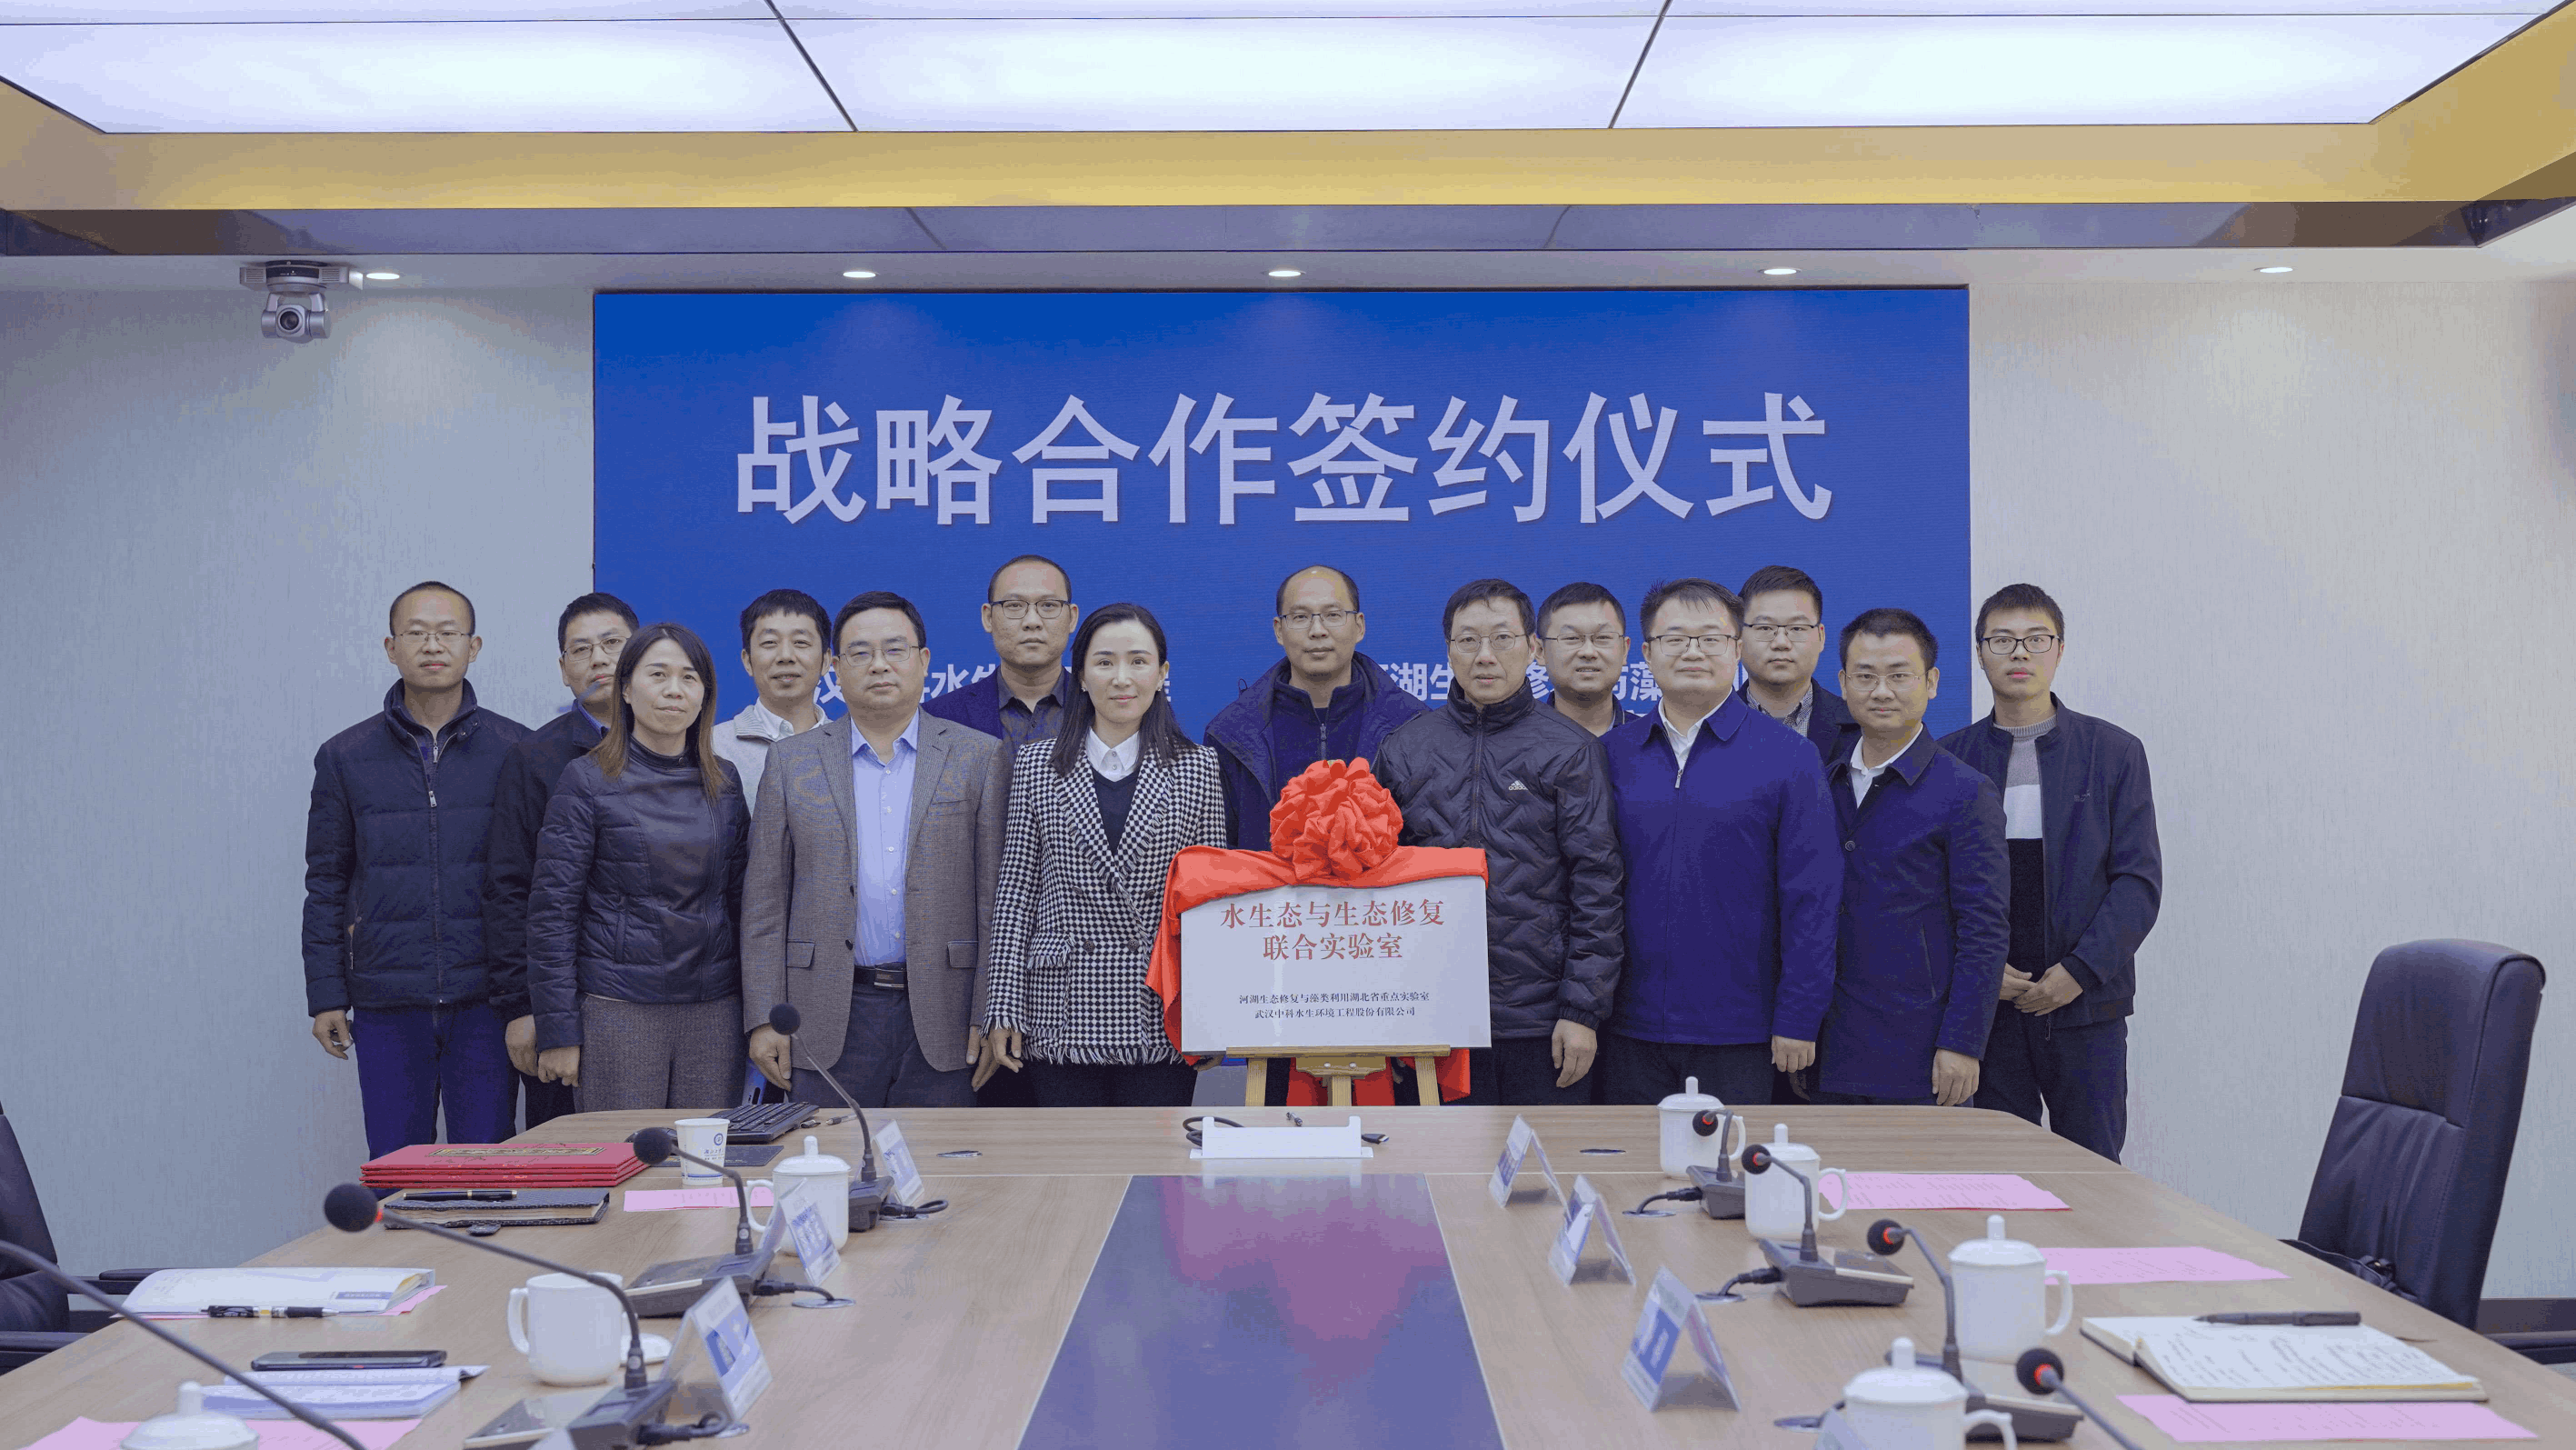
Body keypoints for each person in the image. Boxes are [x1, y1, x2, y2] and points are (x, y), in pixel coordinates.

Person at [740, 592, 1009, 1109]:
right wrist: (765, 1017)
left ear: (924, 661)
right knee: (829, 1156)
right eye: (860, 653)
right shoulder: (792, 761)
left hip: (946, 1011)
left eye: (895, 650)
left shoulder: (978, 756)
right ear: (835, 669)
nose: (879, 665)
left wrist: (989, 1009)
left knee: (942, 1157)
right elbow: (764, 905)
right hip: (825, 1011)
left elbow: (995, 901)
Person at [1374, 579, 1623, 1105]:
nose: (1485, 656)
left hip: (1542, 1021)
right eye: (1468, 640)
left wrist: (1582, 1011)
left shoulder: (1570, 750)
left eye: (1502, 638)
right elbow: (1376, 886)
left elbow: (1597, 886)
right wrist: (1386, 1011)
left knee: (1541, 1159)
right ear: (1448, 651)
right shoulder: (1405, 749)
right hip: (1430, 1017)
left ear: (1532, 647)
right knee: (1440, 1157)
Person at [302, 581, 528, 1158]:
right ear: (390, 647)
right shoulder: (345, 757)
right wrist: (326, 995)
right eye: (416, 633)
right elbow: (326, 882)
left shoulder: (517, 750)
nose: (433, 645)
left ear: (474, 646)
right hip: (387, 1001)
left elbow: (535, 885)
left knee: (486, 1170)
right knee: (397, 1170)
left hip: (486, 1000)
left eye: (448, 632)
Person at [1597, 578, 1841, 1107]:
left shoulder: (1788, 757)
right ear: (1647, 653)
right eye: (1674, 639)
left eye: (1711, 638)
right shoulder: (1611, 754)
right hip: (1625, 1027)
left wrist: (1799, 1017)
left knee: (1731, 1162)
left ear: (1737, 649)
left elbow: (1813, 900)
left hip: (1741, 1030)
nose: (1693, 652)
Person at [1942, 584, 2160, 1161]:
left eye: (2036, 639)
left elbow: (2138, 883)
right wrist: (1981, 973)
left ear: (2059, 650)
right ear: (1980, 653)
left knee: (2092, 1171)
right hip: (1989, 1009)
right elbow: (1934, 891)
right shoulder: (1951, 760)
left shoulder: (2113, 753)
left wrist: (2079, 972)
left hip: (2085, 1007)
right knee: (1995, 1171)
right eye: (2002, 640)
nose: (2020, 652)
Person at [983, 604, 1229, 1107]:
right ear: (1080, 675)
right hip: (1061, 1008)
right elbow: (1015, 894)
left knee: (1155, 1156)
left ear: (1162, 673)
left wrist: (1209, 1013)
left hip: (1157, 1010)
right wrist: (1003, 1005)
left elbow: (1209, 904)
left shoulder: (1198, 768)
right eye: (1104, 662)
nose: (1122, 678)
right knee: (1072, 1155)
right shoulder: (1037, 765)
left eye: (1138, 661)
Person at [524, 625, 749, 1112]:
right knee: (625, 1152)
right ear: (626, 689)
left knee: (707, 1155)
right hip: (619, 1008)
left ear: (705, 694)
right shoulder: (586, 779)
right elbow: (552, 914)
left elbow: (741, 903)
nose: (674, 689)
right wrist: (558, 1028)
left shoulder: (725, 782)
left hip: (714, 1009)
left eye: (689, 677)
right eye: (658, 675)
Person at [1815, 608, 2010, 1107]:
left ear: (1932, 682)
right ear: (1843, 683)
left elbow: (1984, 930)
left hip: (1920, 1055)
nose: (1882, 691)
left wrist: (1963, 1043)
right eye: (1865, 676)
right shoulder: (1820, 784)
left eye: (1899, 675)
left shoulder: (1966, 792)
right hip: (1826, 1049)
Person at [484, 590, 636, 1132]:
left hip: (669, 1004)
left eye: (613, 643)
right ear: (564, 669)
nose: (599, 659)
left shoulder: (686, 746)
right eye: (581, 650)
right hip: (565, 1001)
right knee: (569, 1149)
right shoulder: (534, 757)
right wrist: (524, 1008)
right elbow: (510, 888)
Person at [1205, 565, 1425, 850]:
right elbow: (1217, 856)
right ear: (1279, 630)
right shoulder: (1230, 734)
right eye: (1300, 617)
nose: (1317, 630)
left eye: (1333, 615)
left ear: (1359, 626)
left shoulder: (1412, 725)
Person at [923, 554, 1079, 751]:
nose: (1032, 622)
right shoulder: (937, 718)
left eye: (1048, 605)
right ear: (988, 618)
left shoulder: (1099, 709)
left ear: (1072, 618)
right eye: (1014, 606)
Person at [715, 588, 831, 807]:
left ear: (826, 661)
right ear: (747, 661)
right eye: (769, 643)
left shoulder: (851, 747)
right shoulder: (713, 748)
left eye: (801, 642)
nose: (785, 656)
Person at [1737, 565, 1854, 762]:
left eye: (1797, 628)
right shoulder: (1707, 727)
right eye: (1765, 628)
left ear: (1821, 637)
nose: (1781, 643)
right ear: (1738, 637)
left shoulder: (1860, 728)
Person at [1536, 581, 1642, 736]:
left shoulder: (1653, 741)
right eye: (1571, 638)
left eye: (1603, 637)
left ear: (1625, 650)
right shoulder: (1515, 742)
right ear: (1540, 651)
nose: (1588, 652)